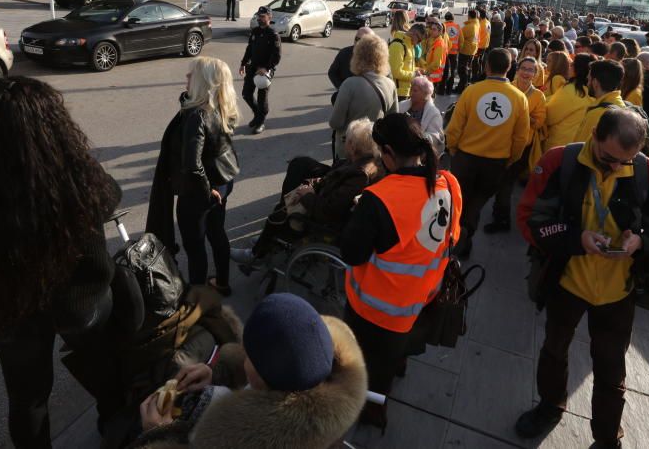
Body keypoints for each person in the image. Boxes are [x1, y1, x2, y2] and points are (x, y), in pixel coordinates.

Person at [0, 76, 132, 448]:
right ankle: (117, 429)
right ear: (55, 126)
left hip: (8, 313)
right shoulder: (78, 174)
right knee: (105, 372)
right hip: (82, 305)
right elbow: (111, 200)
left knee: (27, 398)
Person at [514, 109, 649, 446]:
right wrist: (578, 239)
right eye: (608, 158)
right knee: (553, 351)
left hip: (617, 293)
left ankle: (607, 437)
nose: (615, 167)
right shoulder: (558, 162)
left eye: (627, 160)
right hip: (567, 283)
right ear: (594, 134)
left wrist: (642, 241)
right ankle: (550, 407)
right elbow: (531, 219)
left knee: (610, 370)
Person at [340, 114, 462, 427]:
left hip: (377, 309)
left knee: (369, 367)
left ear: (390, 152)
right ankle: (398, 365)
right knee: (395, 353)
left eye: (381, 152)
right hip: (425, 296)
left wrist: (357, 216)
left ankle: (370, 411)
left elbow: (352, 254)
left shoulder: (379, 198)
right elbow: (453, 235)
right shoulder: (448, 182)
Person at [136, 293, 367, 448]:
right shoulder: (324, 378)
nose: (244, 359)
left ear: (264, 378)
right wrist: (215, 371)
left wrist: (161, 434)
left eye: (249, 358)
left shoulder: (249, 439)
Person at [232, 118, 383, 264]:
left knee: (280, 212)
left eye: (345, 140)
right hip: (327, 198)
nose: (343, 143)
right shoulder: (365, 162)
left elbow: (328, 210)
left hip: (324, 218)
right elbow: (331, 177)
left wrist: (307, 195)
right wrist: (310, 185)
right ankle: (267, 238)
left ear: (353, 146)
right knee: (300, 167)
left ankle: (257, 255)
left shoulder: (358, 174)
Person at [445, 48, 531, 257]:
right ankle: (466, 234)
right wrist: (511, 159)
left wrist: (453, 149)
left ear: (486, 66)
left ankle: (454, 235)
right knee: (478, 201)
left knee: (459, 199)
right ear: (510, 68)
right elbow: (521, 138)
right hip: (496, 162)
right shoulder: (520, 98)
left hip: (465, 157)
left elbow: (454, 127)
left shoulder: (472, 91)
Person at [173, 58, 241, 295]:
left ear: (203, 81)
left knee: (195, 245)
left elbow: (192, 165)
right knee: (216, 231)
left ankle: (198, 299)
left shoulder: (197, 116)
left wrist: (205, 191)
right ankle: (222, 282)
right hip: (223, 180)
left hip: (203, 188)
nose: (186, 78)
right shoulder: (221, 106)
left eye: (191, 76)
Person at [486, 56, 547, 233]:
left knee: (506, 183)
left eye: (531, 70)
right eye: (524, 68)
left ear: (536, 74)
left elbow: (540, 121)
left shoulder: (538, 96)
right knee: (499, 181)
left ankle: (502, 220)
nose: (527, 73)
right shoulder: (507, 89)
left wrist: (521, 116)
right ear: (517, 69)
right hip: (500, 142)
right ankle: (499, 214)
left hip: (521, 147)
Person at [330, 35, 398, 159]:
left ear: (357, 57)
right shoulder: (390, 85)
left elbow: (335, 122)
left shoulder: (349, 84)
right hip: (375, 149)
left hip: (350, 151)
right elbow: (392, 121)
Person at [239, 6, 281, 134]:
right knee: (246, 94)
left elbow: (277, 56)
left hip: (265, 70)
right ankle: (258, 115)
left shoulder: (273, 34)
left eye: (262, 17)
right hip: (253, 67)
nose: (259, 19)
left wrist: (266, 68)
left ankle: (261, 122)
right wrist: (243, 63)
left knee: (262, 97)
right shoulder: (255, 31)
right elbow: (249, 49)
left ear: (269, 17)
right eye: (258, 16)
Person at [544, 53, 596, 152]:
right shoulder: (590, 92)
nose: (569, 66)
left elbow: (549, 116)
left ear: (578, 69)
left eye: (572, 64)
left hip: (558, 146)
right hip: (575, 146)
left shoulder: (572, 90)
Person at [573, 60, 627, 144]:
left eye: (588, 80)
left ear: (595, 83)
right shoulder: (621, 105)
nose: (587, 84)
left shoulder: (596, 114)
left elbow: (581, 149)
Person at [400, 76, 445, 157]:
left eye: (415, 91)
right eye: (411, 90)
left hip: (422, 154)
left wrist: (416, 135)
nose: (411, 93)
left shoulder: (434, 113)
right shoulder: (402, 105)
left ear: (425, 94)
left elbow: (435, 138)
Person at [328, 26, 374, 93]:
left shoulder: (376, 57)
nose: (357, 42)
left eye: (361, 40)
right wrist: (342, 88)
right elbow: (332, 73)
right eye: (356, 38)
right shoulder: (344, 53)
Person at [388, 22, 426, 101]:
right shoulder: (398, 46)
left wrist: (417, 70)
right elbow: (395, 72)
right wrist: (414, 75)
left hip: (406, 91)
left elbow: (406, 66)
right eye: (419, 40)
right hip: (397, 93)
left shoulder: (409, 44)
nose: (418, 44)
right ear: (414, 34)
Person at [421, 19, 448, 94]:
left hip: (433, 76)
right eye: (431, 29)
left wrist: (425, 71)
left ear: (440, 32)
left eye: (434, 29)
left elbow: (436, 63)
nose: (431, 31)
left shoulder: (439, 44)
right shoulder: (433, 41)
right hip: (431, 76)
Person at [457, 9, 480, 92]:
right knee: (467, 69)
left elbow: (460, 39)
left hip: (465, 50)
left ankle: (461, 87)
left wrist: (459, 48)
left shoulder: (468, 27)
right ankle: (465, 86)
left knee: (462, 70)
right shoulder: (477, 25)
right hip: (472, 50)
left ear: (469, 16)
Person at [442, 11, 462, 93]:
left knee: (444, 71)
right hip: (454, 53)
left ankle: (442, 88)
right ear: (453, 18)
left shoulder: (443, 26)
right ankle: (449, 89)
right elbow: (461, 40)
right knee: (453, 71)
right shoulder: (457, 26)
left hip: (445, 52)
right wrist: (459, 49)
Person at [474, 8, 491, 79]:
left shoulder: (480, 24)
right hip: (485, 44)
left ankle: (475, 76)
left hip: (479, 45)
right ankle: (480, 74)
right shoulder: (488, 22)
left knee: (476, 61)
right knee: (481, 60)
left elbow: (475, 37)